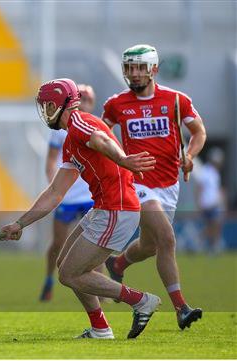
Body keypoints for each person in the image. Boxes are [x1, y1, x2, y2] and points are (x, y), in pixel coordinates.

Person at [2, 78, 160, 339]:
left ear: (59, 104)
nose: (44, 112)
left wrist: (122, 159)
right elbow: (55, 194)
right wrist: (20, 223)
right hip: (103, 209)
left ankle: (140, 300)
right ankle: (100, 328)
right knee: (65, 265)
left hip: (117, 209)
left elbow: (99, 139)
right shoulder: (69, 142)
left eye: (47, 106)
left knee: (70, 274)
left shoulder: (79, 122)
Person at [101, 44, 207, 330]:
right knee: (167, 240)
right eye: (129, 68)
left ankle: (118, 264)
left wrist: (189, 155)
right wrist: (120, 161)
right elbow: (102, 135)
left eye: (139, 68)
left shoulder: (176, 100)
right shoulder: (116, 104)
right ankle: (181, 308)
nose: (133, 75)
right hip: (139, 183)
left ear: (154, 70)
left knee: (149, 245)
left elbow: (198, 132)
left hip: (169, 184)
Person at [40, 84, 100, 302]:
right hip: (67, 194)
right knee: (58, 244)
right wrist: (54, 188)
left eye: (88, 100)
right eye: (80, 99)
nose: (83, 104)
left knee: (95, 245)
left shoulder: (96, 128)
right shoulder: (59, 133)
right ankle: (48, 280)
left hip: (90, 196)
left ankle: (99, 291)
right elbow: (49, 163)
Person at [193, 147, 225, 254]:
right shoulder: (205, 171)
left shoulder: (215, 173)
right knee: (213, 226)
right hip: (207, 204)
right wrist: (199, 203)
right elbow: (199, 188)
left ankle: (212, 246)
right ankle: (202, 240)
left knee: (215, 225)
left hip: (214, 204)